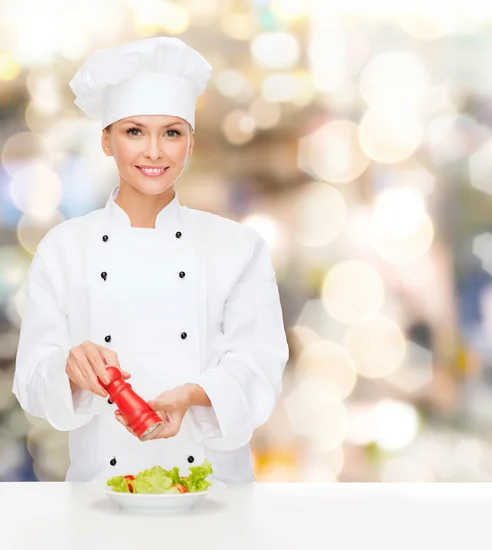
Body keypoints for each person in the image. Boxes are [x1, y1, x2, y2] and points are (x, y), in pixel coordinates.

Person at [12, 36, 289, 484]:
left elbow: (260, 365)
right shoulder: (64, 248)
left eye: (172, 133)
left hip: (213, 492)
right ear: (106, 140)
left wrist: (194, 395)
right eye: (134, 131)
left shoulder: (238, 247)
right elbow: (30, 382)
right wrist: (68, 368)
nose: (154, 152)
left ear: (191, 143)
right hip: (101, 491)